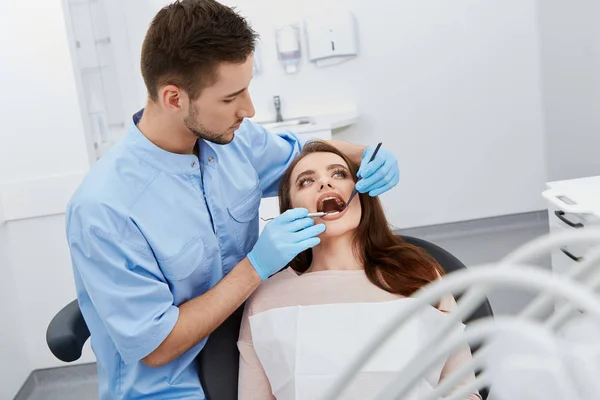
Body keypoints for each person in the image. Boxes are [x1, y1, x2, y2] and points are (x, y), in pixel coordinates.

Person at [65, 1, 399, 399]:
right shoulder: (104, 209)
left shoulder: (232, 140)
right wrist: (255, 267)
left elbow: (302, 157)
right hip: (173, 385)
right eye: (231, 97)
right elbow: (156, 347)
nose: (249, 109)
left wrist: (363, 155)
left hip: (251, 343)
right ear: (175, 98)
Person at [237, 141, 481, 400]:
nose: (325, 183)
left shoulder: (420, 275)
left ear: (362, 192)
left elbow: (463, 391)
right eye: (306, 181)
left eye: (339, 174)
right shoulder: (266, 298)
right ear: (291, 209)